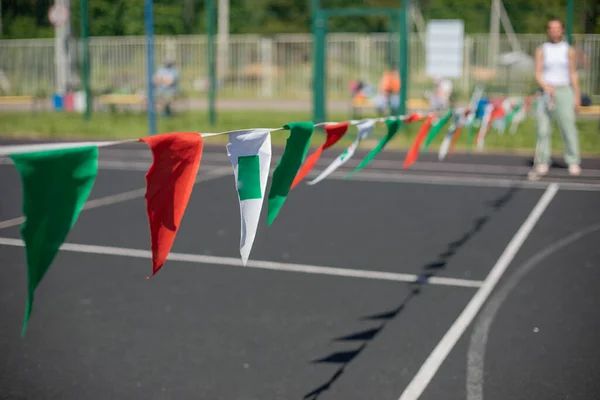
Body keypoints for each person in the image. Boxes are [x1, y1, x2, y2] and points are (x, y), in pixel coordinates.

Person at [529, 18, 581, 180]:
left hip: (564, 90)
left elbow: (572, 73)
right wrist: (546, 88)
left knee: (567, 126)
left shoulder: (568, 50)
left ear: (562, 30)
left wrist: (576, 94)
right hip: (546, 91)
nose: (554, 31)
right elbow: (538, 73)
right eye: (551, 28)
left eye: (557, 28)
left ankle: (573, 160)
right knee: (543, 128)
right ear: (548, 30)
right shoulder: (542, 49)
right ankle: (543, 160)